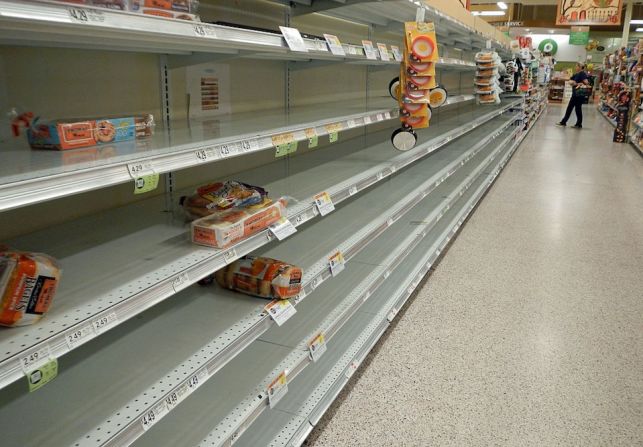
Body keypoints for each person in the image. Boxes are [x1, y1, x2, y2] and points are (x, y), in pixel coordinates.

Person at [557, 63, 590, 129]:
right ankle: (566, 122)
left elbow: (586, 82)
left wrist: (577, 83)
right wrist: (560, 78)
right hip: (575, 94)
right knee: (573, 108)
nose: (575, 67)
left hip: (579, 94)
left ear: (580, 67)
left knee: (575, 108)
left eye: (576, 66)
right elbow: (569, 79)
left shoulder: (582, 73)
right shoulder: (577, 74)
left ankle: (576, 123)